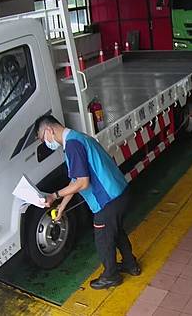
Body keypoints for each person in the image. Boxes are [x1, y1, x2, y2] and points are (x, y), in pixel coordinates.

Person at [35, 115, 141, 290]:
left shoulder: (73, 146)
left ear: (49, 130)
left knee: (103, 239)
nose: (45, 143)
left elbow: (82, 183)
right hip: (119, 193)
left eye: (42, 139)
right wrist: (61, 207)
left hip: (107, 200)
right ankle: (130, 265)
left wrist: (54, 195)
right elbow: (75, 181)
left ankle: (110, 276)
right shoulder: (77, 138)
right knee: (115, 230)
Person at [0, 54, 28, 122]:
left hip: (8, 118)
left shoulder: (23, 78)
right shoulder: (1, 81)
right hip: (12, 117)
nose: (11, 67)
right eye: (8, 65)